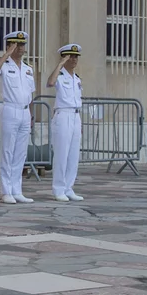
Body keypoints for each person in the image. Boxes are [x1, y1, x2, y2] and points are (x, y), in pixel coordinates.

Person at [0, 31, 36, 204]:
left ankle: (17, 189)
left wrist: (31, 116)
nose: (21, 48)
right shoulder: (4, 65)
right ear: (10, 45)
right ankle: (6, 190)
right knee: (8, 151)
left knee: (20, 153)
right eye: (17, 44)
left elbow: (31, 94)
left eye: (23, 44)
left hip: (24, 112)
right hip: (10, 109)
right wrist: (7, 54)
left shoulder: (28, 69)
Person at [50, 44, 85, 202]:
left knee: (73, 155)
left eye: (76, 56)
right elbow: (50, 83)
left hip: (75, 115)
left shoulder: (76, 78)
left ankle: (68, 187)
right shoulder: (60, 76)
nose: (74, 59)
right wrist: (60, 65)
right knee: (62, 153)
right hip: (63, 115)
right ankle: (58, 189)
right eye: (71, 56)